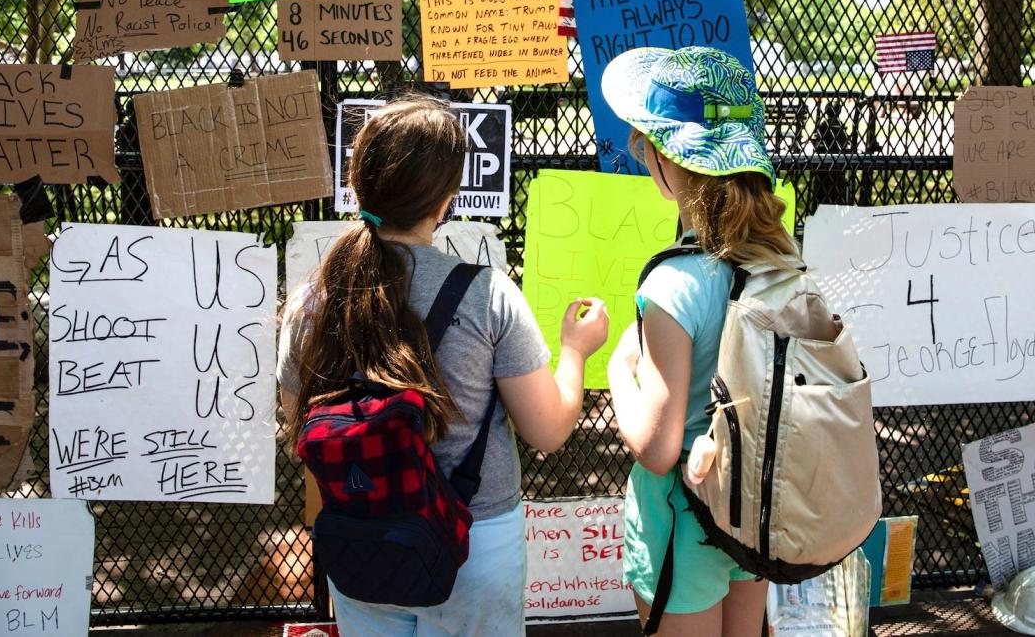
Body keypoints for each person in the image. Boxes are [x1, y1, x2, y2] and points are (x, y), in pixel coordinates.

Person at [278, 95, 609, 637]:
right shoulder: (487, 296)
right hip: (472, 545)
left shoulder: (309, 302)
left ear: (359, 182)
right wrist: (575, 350)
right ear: (446, 199)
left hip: (358, 542)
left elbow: (303, 430)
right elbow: (547, 431)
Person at [602, 47, 800, 636]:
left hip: (683, 520)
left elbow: (658, 448)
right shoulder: (783, 261)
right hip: (756, 510)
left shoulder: (672, 285)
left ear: (667, 159)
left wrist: (618, 366)